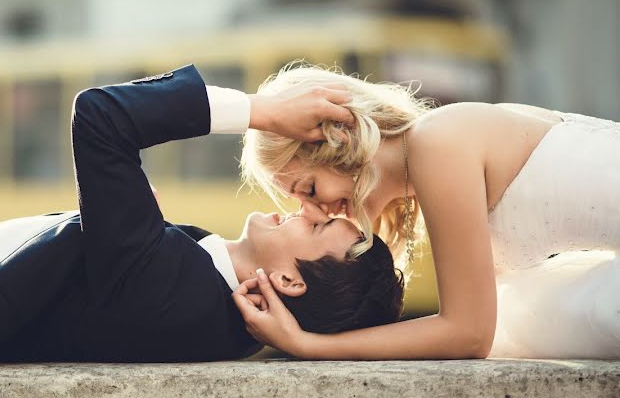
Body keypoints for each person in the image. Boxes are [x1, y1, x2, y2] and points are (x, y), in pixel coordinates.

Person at [0, 65, 405, 398]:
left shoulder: (176, 286)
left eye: (320, 225)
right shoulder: (196, 289)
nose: (304, 209)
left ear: (288, 281)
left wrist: (265, 112)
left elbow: (100, 115)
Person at [232, 62, 620, 360]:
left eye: (310, 190)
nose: (314, 213)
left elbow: (470, 333)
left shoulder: (436, 144)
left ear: (339, 141)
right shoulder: (429, 161)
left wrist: (307, 345)